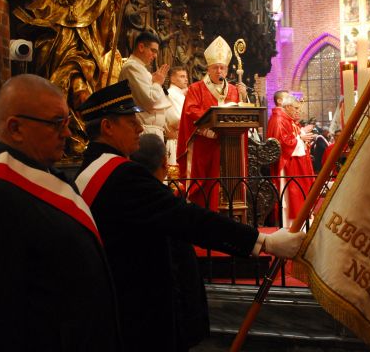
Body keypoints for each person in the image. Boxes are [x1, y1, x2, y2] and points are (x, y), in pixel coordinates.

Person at [74, 80, 305, 352]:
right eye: (130, 121)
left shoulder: (91, 169)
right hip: (140, 314)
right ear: (107, 127)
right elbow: (188, 218)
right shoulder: (122, 175)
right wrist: (262, 242)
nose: (139, 127)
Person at [0, 74, 121, 351]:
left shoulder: (44, 174)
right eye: (57, 123)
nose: (67, 133)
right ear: (16, 128)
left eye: (67, 122)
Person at [130, 134, 209, 351]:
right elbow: (184, 269)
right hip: (169, 314)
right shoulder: (166, 205)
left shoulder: (126, 199)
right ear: (165, 164)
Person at [14, 0, 125, 110]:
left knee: (79, 85)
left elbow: (110, 2)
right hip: (52, 53)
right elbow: (32, 19)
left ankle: (80, 123)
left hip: (79, 54)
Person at [176, 36, 248, 211]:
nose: (219, 71)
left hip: (229, 147)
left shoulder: (233, 90)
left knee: (228, 186)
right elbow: (190, 112)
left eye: (222, 67)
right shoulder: (197, 88)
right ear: (208, 68)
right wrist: (211, 126)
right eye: (215, 67)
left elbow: (243, 113)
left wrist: (244, 97)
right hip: (205, 145)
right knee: (204, 189)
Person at [267, 95, 314, 228]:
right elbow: (283, 144)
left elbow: (291, 136)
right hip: (288, 166)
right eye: (296, 108)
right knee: (292, 197)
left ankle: (301, 223)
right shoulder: (279, 119)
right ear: (287, 107)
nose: (298, 111)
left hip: (295, 164)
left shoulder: (288, 119)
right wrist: (301, 137)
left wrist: (301, 134)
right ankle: (291, 225)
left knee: (300, 195)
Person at [119, 31, 171, 139]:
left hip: (152, 130)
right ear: (141, 47)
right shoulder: (132, 67)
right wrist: (157, 82)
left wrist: (155, 81)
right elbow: (150, 101)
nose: (155, 56)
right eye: (153, 51)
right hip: (144, 131)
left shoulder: (142, 69)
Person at [165, 66, 189, 165]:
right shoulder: (171, 94)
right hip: (176, 140)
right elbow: (176, 120)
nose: (186, 79)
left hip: (183, 139)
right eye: (182, 76)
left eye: (186, 76)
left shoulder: (180, 95)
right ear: (172, 79)